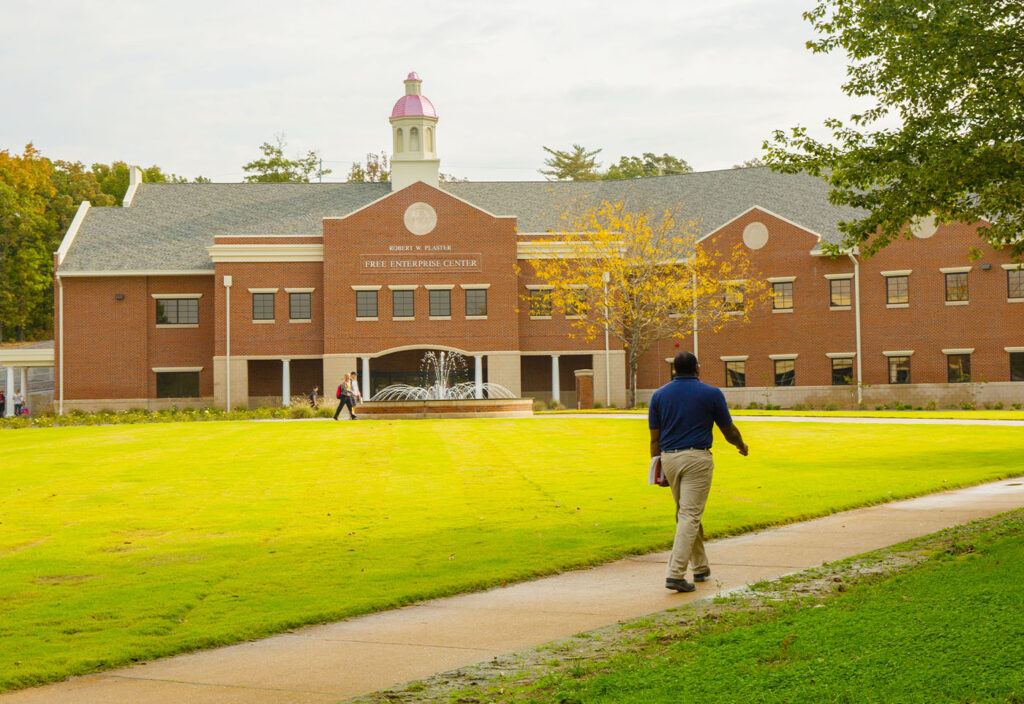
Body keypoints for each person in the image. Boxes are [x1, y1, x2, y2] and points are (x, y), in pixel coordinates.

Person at [649, 351, 748, 593]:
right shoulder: (711, 393)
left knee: (686, 513)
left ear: (674, 369)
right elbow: (728, 429)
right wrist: (741, 446)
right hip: (697, 458)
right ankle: (675, 574)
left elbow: (654, 439)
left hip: (669, 458)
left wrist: (658, 468)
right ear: (697, 368)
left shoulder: (659, 395)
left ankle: (701, 567)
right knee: (690, 515)